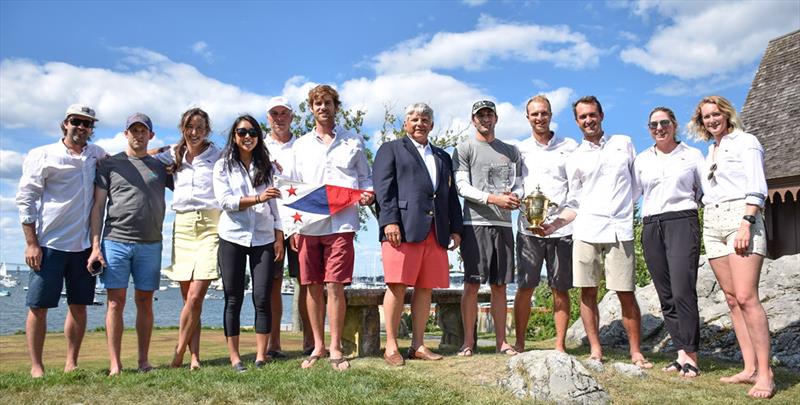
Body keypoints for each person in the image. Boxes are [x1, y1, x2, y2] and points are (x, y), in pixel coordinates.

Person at [540, 96, 653, 369]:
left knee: (625, 292)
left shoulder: (623, 143)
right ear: (577, 122)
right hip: (586, 230)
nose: (588, 120)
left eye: (592, 115)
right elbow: (575, 203)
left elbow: (637, 184)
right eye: (582, 117)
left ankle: (636, 352)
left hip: (619, 229)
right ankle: (595, 349)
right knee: (587, 292)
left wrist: (625, 208)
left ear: (601, 115)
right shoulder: (575, 158)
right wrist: (554, 225)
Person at [688, 95, 773, 399]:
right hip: (712, 221)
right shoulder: (711, 150)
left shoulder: (746, 141)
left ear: (726, 114)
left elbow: (757, 186)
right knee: (732, 299)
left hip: (741, 216)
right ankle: (748, 368)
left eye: (715, 115)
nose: (711, 121)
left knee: (748, 297)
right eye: (705, 117)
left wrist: (746, 223)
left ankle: (765, 374)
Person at [16, 104, 105, 377]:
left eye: (88, 124)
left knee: (79, 306)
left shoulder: (97, 155)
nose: (82, 127)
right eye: (76, 121)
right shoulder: (42, 155)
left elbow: (129, 158)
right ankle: (36, 367)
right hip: (49, 245)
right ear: (65, 123)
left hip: (83, 247)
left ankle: (71, 363)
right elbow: (26, 198)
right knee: (38, 307)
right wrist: (32, 243)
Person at [290, 84, 373, 371]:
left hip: (342, 223)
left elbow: (366, 179)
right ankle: (318, 347)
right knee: (312, 286)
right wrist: (292, 229)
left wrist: (367, 193)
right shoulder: (299, 146)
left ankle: (336, 347)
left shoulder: (355, 141)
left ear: (336, 107)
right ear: (311, 109)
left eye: (327, 103)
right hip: (309, 226)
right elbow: (292, 189)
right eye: (317, 103)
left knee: (335, 285)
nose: (322, 107)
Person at [372, 103, 463, 366]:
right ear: (405, 123)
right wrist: (389, 221)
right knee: (397, 286)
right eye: (414, 119)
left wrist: (455, 228)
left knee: (425, 289)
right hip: (401, 230)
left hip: (436, 232)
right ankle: (390, 346)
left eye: (425, 119)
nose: (420, 123)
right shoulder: (390, 149)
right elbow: (383, 189)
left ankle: (418, 345)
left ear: (432, 125)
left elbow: (449, 196)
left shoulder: (443, 156)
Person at [88, 113, 171, 375]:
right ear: (126, 134)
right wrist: (95, 246)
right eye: (133, 130)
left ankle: (143, 361)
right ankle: (115, 363)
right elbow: (98, 206)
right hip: (115, 241)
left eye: (143, 130)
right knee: (115, 302)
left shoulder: (160, 166)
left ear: (150, 135)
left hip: (151, 243)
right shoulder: (109, 164)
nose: (138, 135)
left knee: (145, 301)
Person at [633, 107, 704, 377]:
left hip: (681, 221)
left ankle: (692, 355)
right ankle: (680, 353)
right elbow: (631, 195)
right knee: (666, 294)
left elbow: (705, 191)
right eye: (653, 125)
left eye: (664, 123)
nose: (659, 128)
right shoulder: (641, 160)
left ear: (674, 125)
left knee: (683, 289)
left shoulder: (692, 155)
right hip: (651, 225)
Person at [213, 114, 284, 372]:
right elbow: (226, 202)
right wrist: (257, 198)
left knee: (262, 297)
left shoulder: (269, 167)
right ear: (234, 135)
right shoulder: (222, 166)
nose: (247, 137)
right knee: (233, 299)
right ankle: (235, 358)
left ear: (258, 137)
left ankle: (260, 356)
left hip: (264, 237)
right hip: (232, 236)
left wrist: (279, 236)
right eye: (242, 132)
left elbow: (276, 205)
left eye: (253, 132)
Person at [153, 108, 222, 369]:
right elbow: (146, 156)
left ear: (207, 130)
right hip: (181, 225)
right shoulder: (174, 153)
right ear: (183, 128)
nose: (194, 132)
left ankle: (178, 353)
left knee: (195, 297)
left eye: (200, 127)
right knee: (188, 301)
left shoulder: (218, 155)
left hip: (210, 224)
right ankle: (195, 357)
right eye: (189, 127)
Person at [453, 100, 522, 357]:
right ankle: (468, 341)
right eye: (480, 115)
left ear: (496, 118)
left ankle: (502, 342)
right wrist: (493, 199)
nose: (485, 119)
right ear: (473, 120)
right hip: (475, 224)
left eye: (489, 114)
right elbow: (462, 187)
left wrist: (515, 197)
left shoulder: (510, 150)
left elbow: (520, 184)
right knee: (471, 285)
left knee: (500, 285)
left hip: (504, 224)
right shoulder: (464, 148)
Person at [513, 95, 577, 353]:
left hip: (562, 229)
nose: (540, 118)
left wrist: (562, 219)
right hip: (527, 229)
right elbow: (515, 186)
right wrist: (521, 206)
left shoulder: (569, 146)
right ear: (527, 117)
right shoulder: (519, 149)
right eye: (535, 114)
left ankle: (559, 346)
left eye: (544, 113)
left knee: (559, 288)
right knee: (526, 286)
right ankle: (519, 343)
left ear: (551, 115)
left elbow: (575, 185)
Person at [263, 97, 313, 358]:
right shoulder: (259, 145)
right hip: (269, 223)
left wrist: (299, 226)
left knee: (305, 281)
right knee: (273, 283)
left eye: (284, 113)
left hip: (300, 222)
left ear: (292, 117)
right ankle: (273, 343)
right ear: (268, 117)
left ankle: (310, 341)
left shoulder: (304, 145)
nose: (279, 118)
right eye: (274, 113)